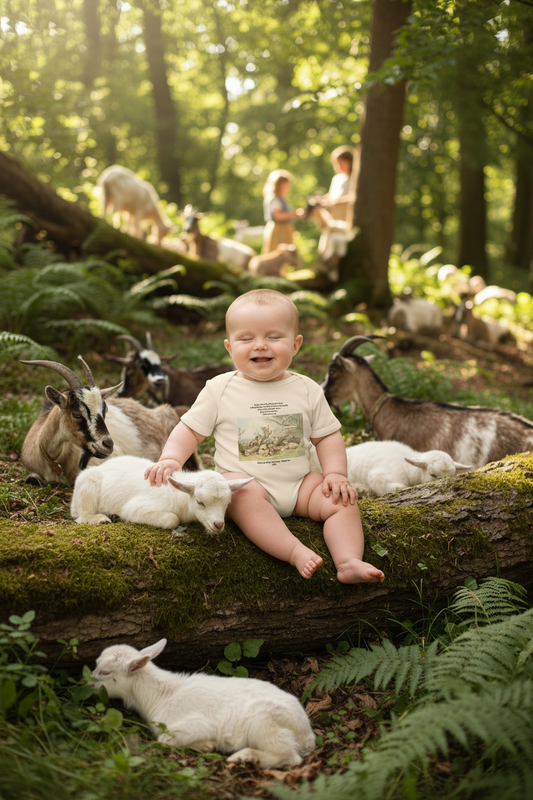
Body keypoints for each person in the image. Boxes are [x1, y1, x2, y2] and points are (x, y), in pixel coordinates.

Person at [145, 289, 385, 586]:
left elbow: (328, 437)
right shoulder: (219, 389)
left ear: (296, 344)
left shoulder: (307, 389)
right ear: (229, 347)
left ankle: (349, 560)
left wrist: (335, 474)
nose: (260, 345)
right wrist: (170, 459)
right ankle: (294, 550)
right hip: (245, 484)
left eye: (274, 337)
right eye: (246, 339)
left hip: (300, 486)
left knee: (341, 500)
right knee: (242, 495)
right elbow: (189, 430)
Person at [261, 169, 305, 254]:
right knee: (276, 253)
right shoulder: (275, 199)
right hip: (278, 230)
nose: (287, 188)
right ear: (277, 186)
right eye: (285, 186)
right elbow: (277, 215)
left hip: (284, 229)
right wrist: (293, 214)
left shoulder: (281, 199)